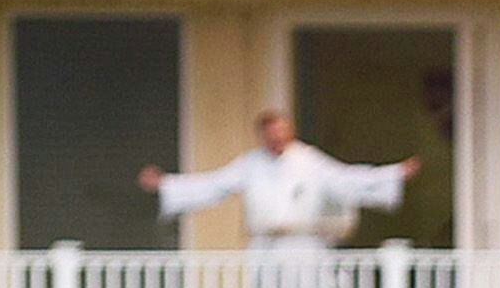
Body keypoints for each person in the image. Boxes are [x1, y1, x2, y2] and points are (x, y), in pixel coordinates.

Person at [140, 108, 419, 255]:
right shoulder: (250, 164)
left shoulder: (309, 160)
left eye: (281, 132)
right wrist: (166, 184)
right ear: (261, 135)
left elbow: (346, 180)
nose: (276, 138)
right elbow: (214, 185)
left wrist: (392, 174)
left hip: (305, 247)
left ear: (290, 132)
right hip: (265, 247)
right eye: (271, 133)